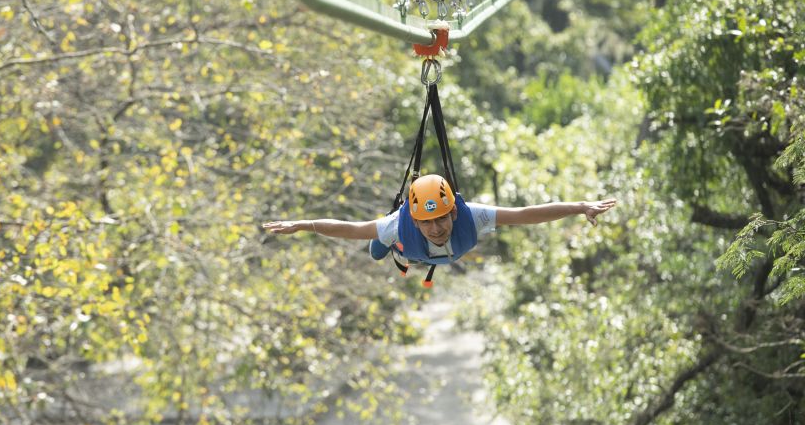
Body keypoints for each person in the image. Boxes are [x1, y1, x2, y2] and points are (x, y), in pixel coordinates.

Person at [262, 174, 616, 266]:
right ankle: (388, 244)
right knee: (376, 245)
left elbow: (526, 214)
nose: (436, 228)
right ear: (416, 221)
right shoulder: (400, 226)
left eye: (442, 219)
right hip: (403, 246)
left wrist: (580, 206)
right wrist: (302, 225)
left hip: (437, 249)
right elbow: (349, 228)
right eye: (427, 223)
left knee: (395, 237)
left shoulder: (471, 217)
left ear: (452, 212)